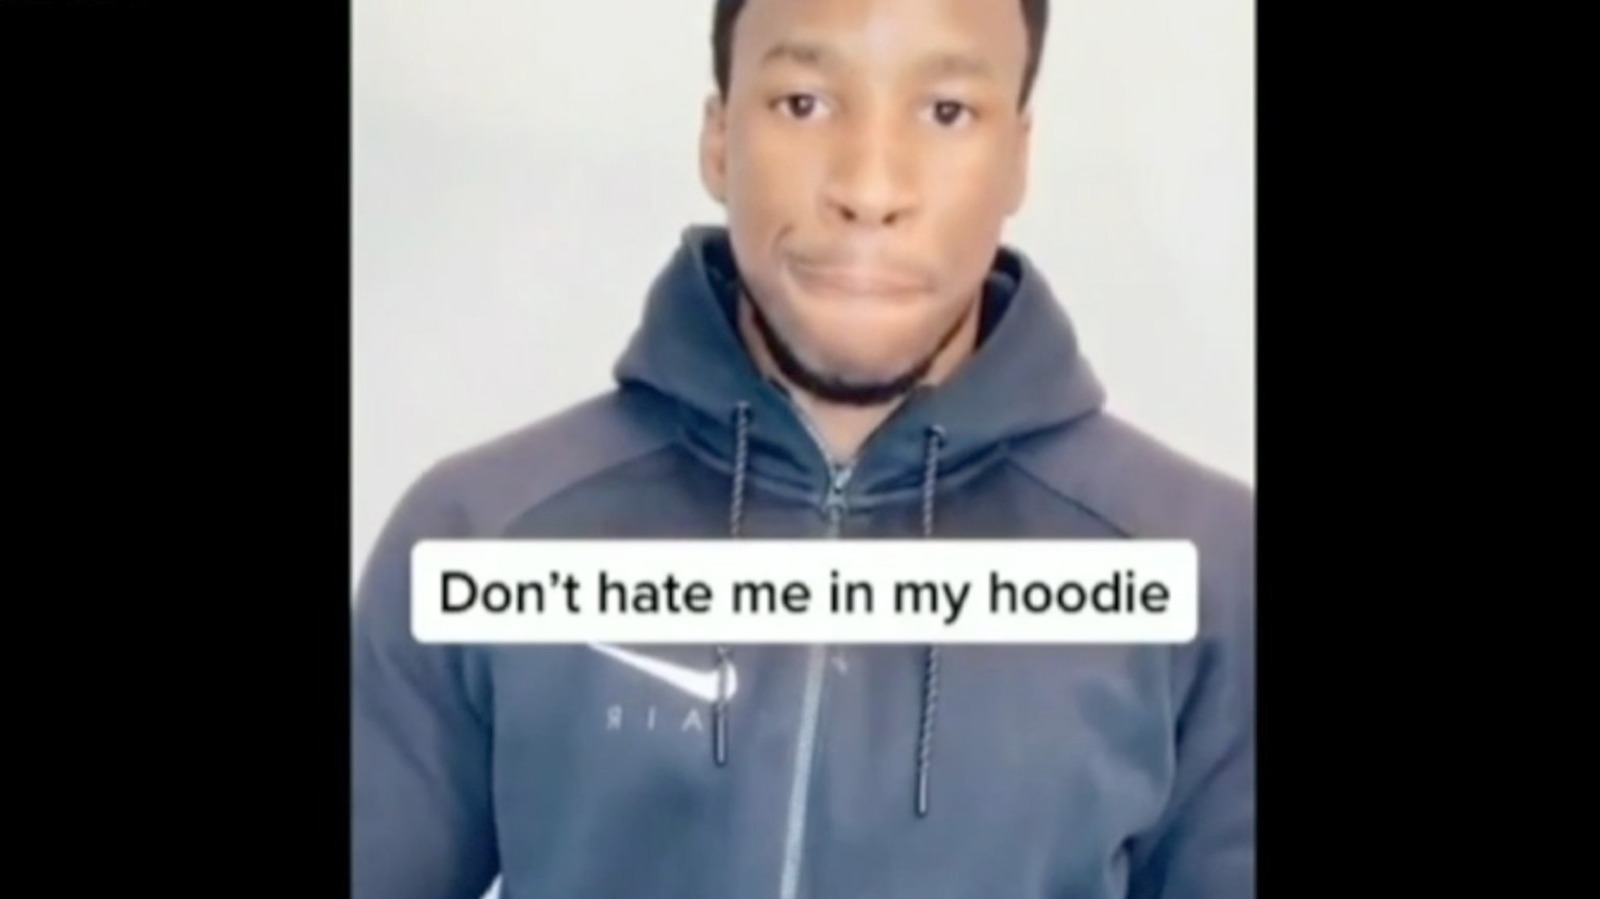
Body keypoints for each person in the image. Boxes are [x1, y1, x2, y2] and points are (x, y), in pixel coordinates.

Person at [351, 0, 1254, 897]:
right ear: (718, 139)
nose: (870, 188)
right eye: (804, 103)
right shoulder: (483, 537)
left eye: (946, 111)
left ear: (1016, 157)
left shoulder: (1204, 575)